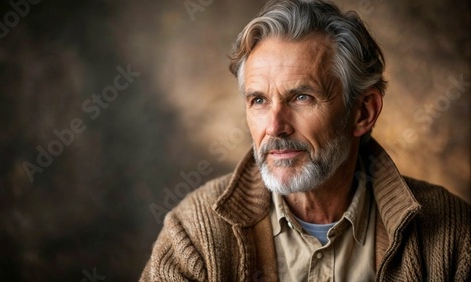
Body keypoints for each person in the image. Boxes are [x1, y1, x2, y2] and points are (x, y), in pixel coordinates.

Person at [140, 0, 471, 281]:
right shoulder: (193, 234)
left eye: (301, 97)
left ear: (363, 113)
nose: (275, 126)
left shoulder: (454, 233)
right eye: (259, 100)